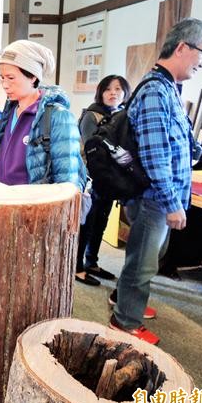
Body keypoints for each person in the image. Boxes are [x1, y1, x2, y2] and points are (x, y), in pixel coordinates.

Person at [108, 18, 202, 345]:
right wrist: (172, 204)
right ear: (182, 48)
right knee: (142, 262)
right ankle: (124, 321)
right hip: (154, 197)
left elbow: (179, 142)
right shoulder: (156, 90)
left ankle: (122, 300)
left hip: (160, 196)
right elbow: (155, 155)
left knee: (145, 256)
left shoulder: (168, 88)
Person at [0, 40, 86, 191]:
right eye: (2, 78)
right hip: (4, 203)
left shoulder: (58, 116)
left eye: (11, 77)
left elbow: (67, 182)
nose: (5, 85)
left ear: (33, 76)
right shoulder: (10, 109)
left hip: (34, 208)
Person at [74, 75, 131, 286]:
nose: (113, 93)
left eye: (118, 89)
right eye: (108, 89)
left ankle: (92, 262)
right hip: (92, 178)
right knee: (87, 223)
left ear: (126, 93)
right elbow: (93, 148)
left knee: (102, 222)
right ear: (100, 92)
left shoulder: (122, 116)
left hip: (110, 179)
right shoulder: (92, 115)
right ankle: (77, 267)